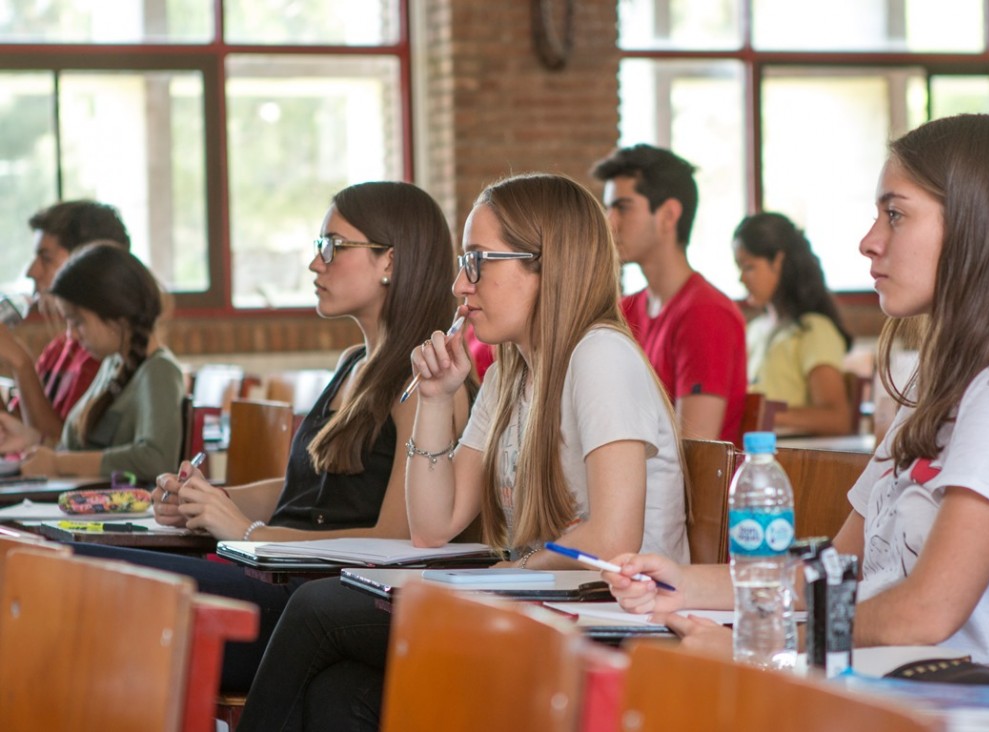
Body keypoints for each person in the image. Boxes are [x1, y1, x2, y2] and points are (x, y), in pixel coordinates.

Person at [603, 114, 989, 665]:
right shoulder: (940, 389)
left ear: (978, 227)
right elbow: (835, 571)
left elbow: (925, 613)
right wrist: (683, 583)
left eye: (895, 215)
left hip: (967, 705)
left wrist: (759, 648)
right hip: (886, 688)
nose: (869, 241)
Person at [237, 172, 689, 731]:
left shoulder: (600, 356)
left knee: (318, 609)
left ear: (547, 265)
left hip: (611, 627)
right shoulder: (511, 372)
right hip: (544, 605)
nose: (459, 285)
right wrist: (434, 399)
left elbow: (612, 539)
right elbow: (433, 526)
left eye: (477, 261)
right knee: (342, 691)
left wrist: (506, 569)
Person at [67, 181, 472, 692]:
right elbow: (300, 490)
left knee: (83, 572)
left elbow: (394, 540)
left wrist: (245, 532)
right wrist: (210, 500)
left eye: (332, 247)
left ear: (388, 260)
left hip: (310, 599)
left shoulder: (428, 382)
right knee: (63, 566)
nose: (315, 265)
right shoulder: (354, 362)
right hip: (267, 573)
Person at [591, 143, 748, 444]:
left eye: (622, 207)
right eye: (607, 208)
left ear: (668, 215)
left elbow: (694, 449)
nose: (608, 223)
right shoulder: (624, 310)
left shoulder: (706, 313)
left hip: (683, 489)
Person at [0, 242, 184, 482]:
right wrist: (34, 439)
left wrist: (58, 463)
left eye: (78, 322)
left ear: (116, 315)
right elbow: (85, 449)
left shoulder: (159, 370)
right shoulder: (112, 364)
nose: (71, 335)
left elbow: (156, 459)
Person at [0, 200, 131, 444]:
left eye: (46, 258)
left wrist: (21, 363)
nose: (31, 271)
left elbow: (66, 446)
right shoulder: (59, 349)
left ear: (88, 265)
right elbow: (13, 433)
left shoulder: (105, 354)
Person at [733, 212, 854, 436]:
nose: (741, 278)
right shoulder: (754, 330)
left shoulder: (813, 330)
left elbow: (837, 419)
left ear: (778, 262)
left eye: (748, 267)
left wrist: (758, 414)